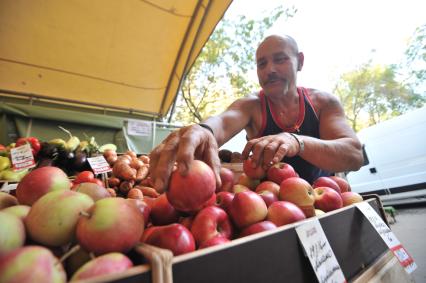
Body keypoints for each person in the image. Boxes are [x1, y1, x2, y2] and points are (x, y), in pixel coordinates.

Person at [149, 34, 364, 193]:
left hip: (323, 204)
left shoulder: (323, 103)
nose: (270, 69)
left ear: (300, 61)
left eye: (280, 59)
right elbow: (222, 123)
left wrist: (295, 142)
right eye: (262, 63)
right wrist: (203, 129)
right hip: (268, 212)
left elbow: (354, 155)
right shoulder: (251, 105)